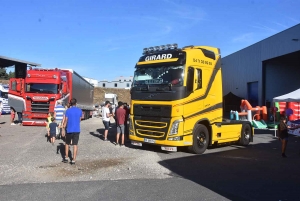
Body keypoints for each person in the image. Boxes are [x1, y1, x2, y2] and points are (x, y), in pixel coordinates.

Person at [63, 98, 82, 165]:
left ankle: (66, 157)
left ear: (70, 103)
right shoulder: (80, 111)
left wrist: (63, 128)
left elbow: (66, 120)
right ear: (76, 103)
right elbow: (79, 120)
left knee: (67, 143)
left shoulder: (68, 110)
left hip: (69, 129)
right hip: (76, 129)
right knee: (75, 144)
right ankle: (73, 159)